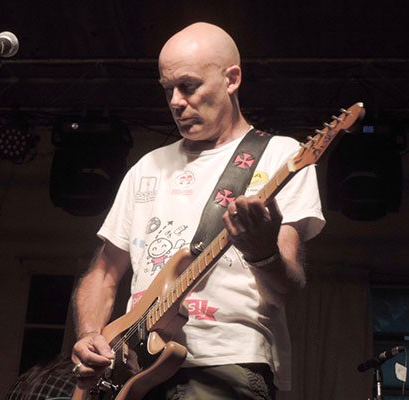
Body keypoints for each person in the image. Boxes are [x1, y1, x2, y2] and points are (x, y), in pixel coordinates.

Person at [70, 22, 325, 399]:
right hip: (134, 370)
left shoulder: (280, 156)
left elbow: (284, 289)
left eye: (188, 86)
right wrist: (91, 333)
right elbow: (104, 273)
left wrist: (263, 253)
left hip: (224, 365)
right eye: (167, 89)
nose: (175, 101)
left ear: (231, 79)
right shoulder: (146, 167)